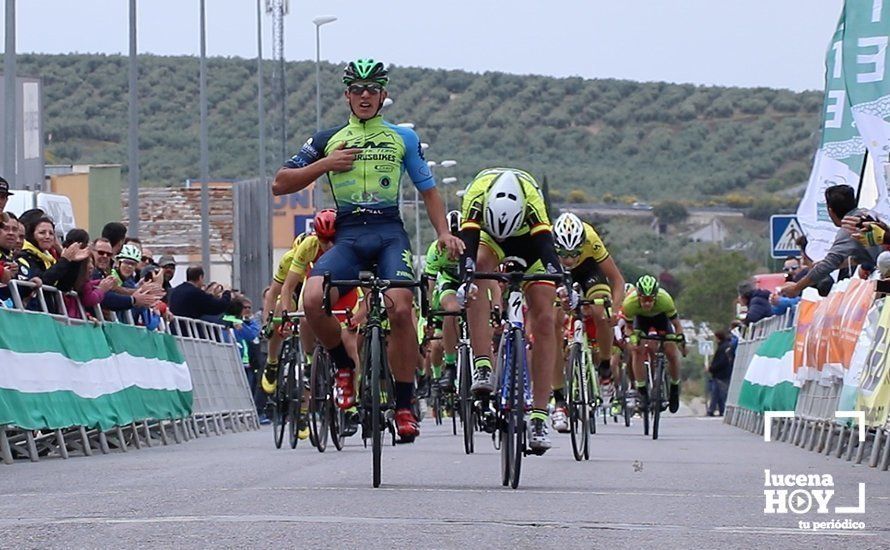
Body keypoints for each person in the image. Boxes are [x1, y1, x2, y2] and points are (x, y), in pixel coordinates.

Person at [271, 58, 462, 442]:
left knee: (403, 308)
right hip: (349, 236)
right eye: (356, 89)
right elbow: (280, 183)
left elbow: (428, 191)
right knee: (311, 300)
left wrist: (443, 232)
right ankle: (344, 366)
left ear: (383, 95)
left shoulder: (402, 138)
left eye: (371, 89)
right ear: (346, 95)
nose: (364, 96)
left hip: (389, 232)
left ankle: (406, 406)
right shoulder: (327, 138)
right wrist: (325, 163)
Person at [457, 167, 574, 452]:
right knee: (477, 276)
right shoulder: (475, 195)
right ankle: (483, 364)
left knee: (546, 318)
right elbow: (468, 250)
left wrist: (562, 285)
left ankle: (539, 415)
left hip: (531, 244)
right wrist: (466, 281)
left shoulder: (533, 200)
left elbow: (547, 251)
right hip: (489, 239)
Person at [551, 212, 626, 431]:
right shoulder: (546, 243)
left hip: (589, 271)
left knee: (599, 308)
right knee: (554, 323)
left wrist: (617, 309)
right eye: (563, 253)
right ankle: (559, 400)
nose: (569, 259)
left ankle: (604, 367)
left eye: (574, 253)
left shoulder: (592, 240)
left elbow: (617, 280)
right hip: (557, 275)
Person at [781, 185, 881, 298]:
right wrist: (838, 264)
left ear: (830, 211)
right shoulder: (867, 214)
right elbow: (866, 255)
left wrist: (796, 288)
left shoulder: (848, 229)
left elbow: (828, 264)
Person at [623, 275, 685, 414]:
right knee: (637, 350)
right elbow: (628, 327)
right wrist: (633, 337)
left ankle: (674, 388)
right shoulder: (629, 303)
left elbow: (677, 325)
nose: (646, 303)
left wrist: (679, 337)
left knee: (671, 352)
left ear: (656, 296)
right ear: (638, 296)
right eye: (644, 299)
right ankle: (642, 390)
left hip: (661, 320)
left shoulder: (665, 300)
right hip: (641, 321)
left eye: (650, 299)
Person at [423, 210, 463, 392]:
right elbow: (429, 287)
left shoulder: (475, 245)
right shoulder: (436, 250)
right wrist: (427, 313)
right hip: (448, 282)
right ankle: (450, 366)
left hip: (470, 281)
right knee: (452, 308)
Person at [168, 266, 232, 321]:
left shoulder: (176, 290)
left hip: (175, 328)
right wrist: (226, 293)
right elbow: (218, 307)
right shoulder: (196, 293)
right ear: (200, 277)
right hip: (190, 330)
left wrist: (210, 295)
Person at [707, 330, 735, 416]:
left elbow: (721, 361)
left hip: (720, 374)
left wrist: (712, 368)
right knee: (718, 393)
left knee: (718, 393)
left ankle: (713, 410)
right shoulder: (726, 346)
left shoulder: (723, 347)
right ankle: (720, 410)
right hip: (722, 373)